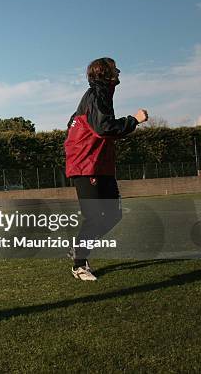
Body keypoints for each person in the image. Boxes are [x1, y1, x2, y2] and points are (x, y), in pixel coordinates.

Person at [64, 58, 148, 281]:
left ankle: (78, 250)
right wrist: (134, 120)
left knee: (113, 214)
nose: (118, 71)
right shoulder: (96, 95)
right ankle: (79, 263)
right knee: (94, 217)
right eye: (114, 69)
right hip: (86, 165)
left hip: (100, 164)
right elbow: (104, 128)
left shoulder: (101, 95)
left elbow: (84, 125)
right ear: (105, 74)